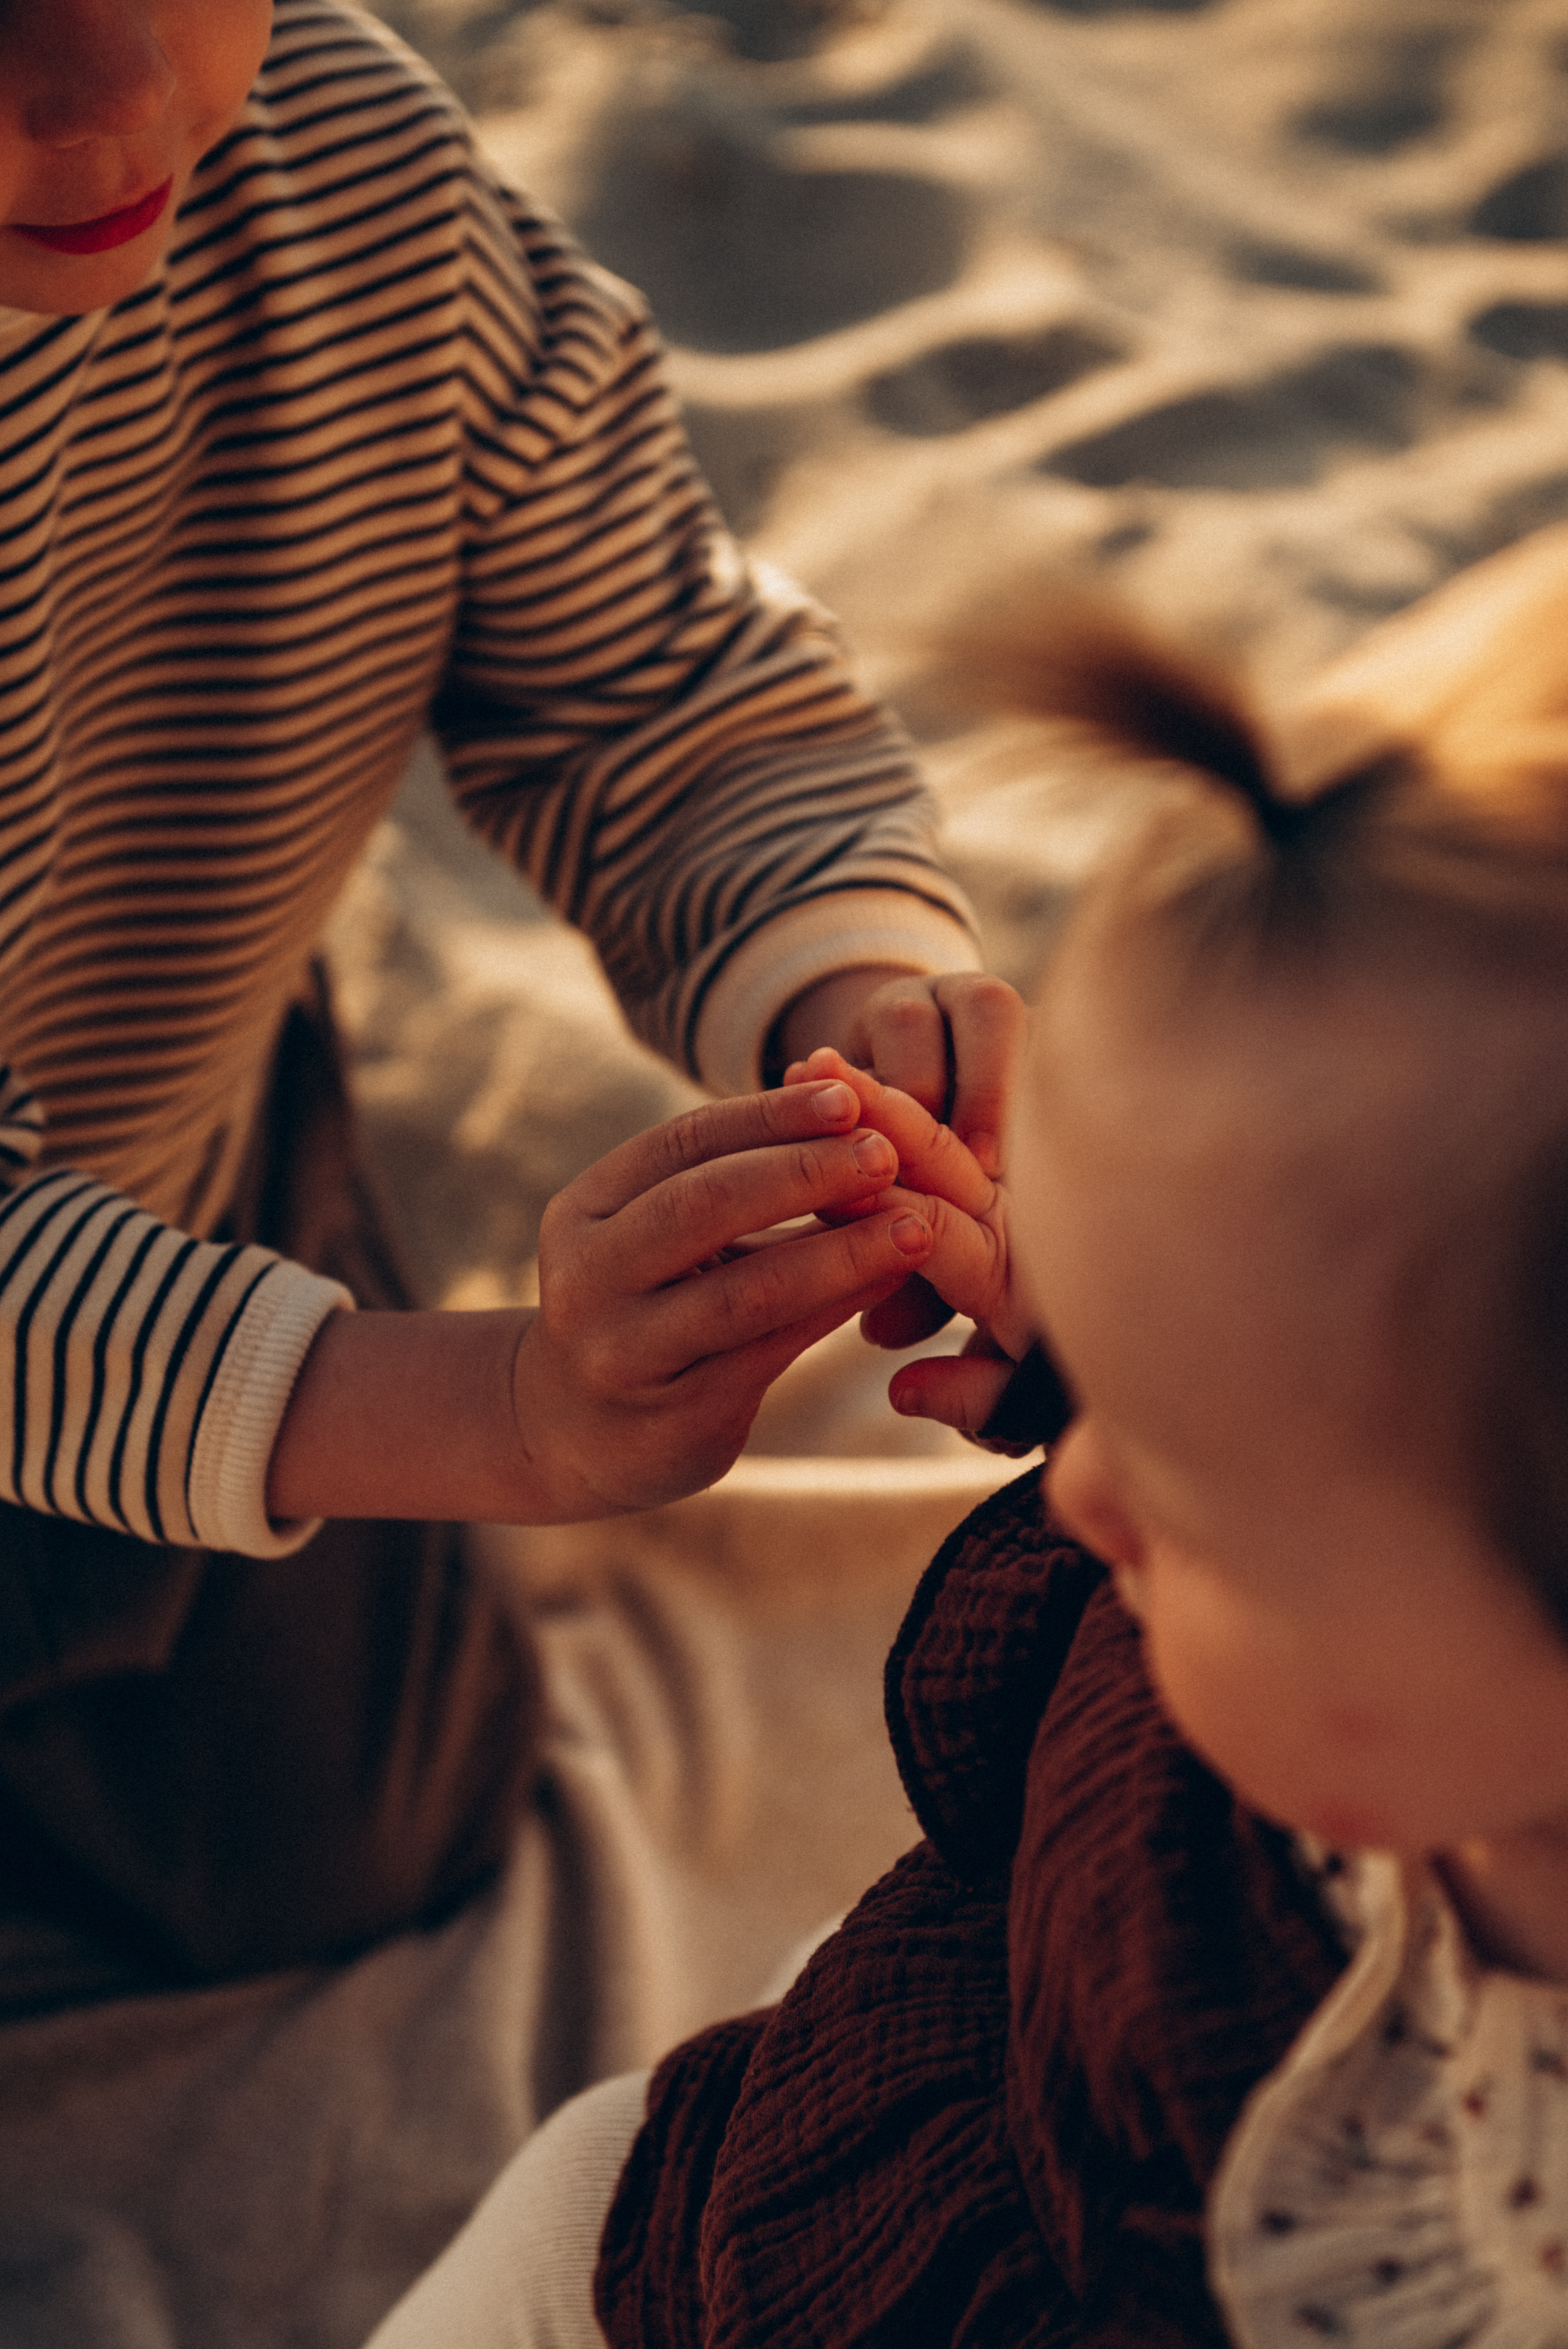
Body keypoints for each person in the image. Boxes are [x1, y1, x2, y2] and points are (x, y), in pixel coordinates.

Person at [364, 527, 1568, 2347]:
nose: (1083, 1497)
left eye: (1191, 1496)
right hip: (826, 2129)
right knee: (544, 2233)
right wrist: (1130, 1370)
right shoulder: (1413, 1649)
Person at [0, 0, 1026, 2024]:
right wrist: (497, 1414)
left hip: (190, 1134)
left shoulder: (336, 164)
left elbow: (650, 682)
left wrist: (870, 1003)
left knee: (362, 1842)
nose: (106, 97)